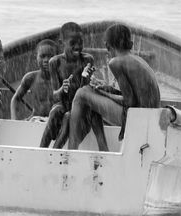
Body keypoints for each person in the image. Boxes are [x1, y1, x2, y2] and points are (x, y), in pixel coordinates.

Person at [68, 23, 161, 151]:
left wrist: (104, 93)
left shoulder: (116, 62)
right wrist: (105, 88)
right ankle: (103, 148)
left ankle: (70, 151)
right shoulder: (138, 60)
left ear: (107, 45)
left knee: (81, 94)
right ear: (130, 43)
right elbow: (131, 96)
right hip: (149, 117)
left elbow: (129, 102)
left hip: (136, 119)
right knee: (89, 94)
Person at [39, 22, 94, 148]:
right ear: (61, 43)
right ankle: (41, 149)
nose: (78, 47)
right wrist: (62, 90)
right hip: (63, 104)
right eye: (73, 43)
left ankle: (55, 152)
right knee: (55, 112)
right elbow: (54, 96)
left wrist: (85, 78)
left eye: (81, 42)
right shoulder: (55, 62)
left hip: (80, 106)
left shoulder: (87, 60)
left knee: (68, 117)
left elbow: (85, 92)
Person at [10, 39, 58, 120]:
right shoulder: (30, 78)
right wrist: (14, 120)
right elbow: (15, 99)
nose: (46, 60)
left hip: (56, 121)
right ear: (36, 57)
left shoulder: (63, 78)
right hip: (35, 119)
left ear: (57, 57)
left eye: (51, 56)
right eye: (42, 56)